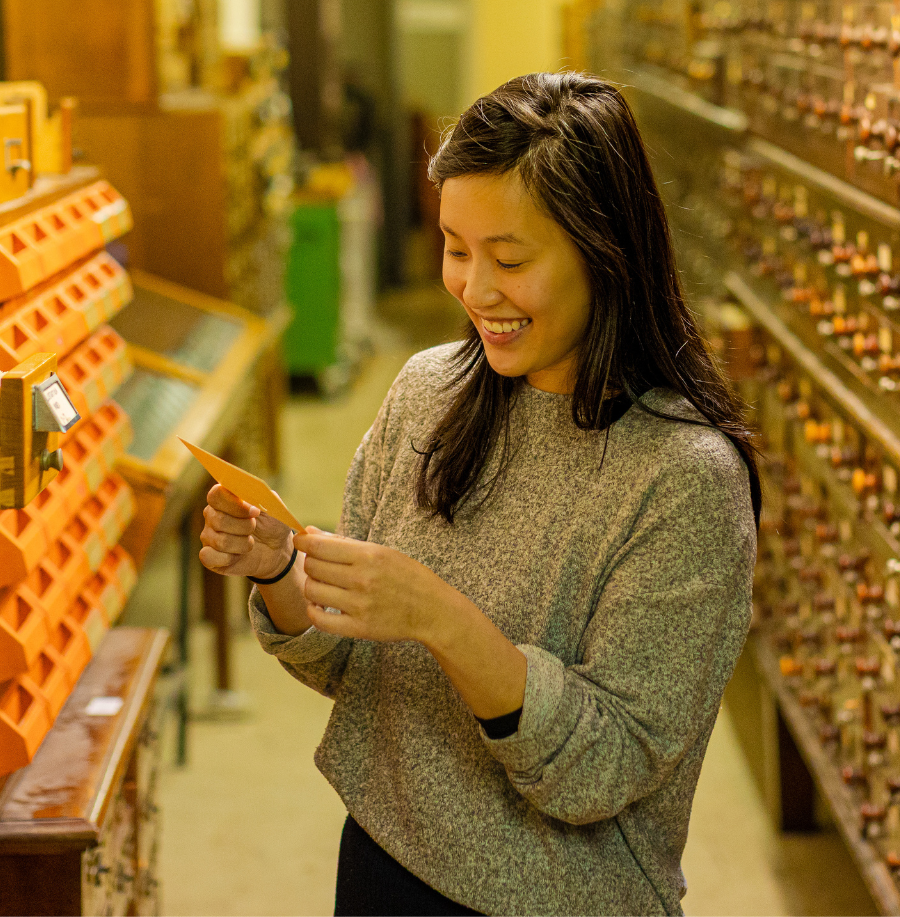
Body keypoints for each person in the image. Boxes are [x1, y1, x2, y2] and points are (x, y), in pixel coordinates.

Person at [197, 71, 759, 916]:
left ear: (604, 252)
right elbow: (358, 670)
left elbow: (606, 768)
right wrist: (283, 573)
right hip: (382, 861)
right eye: (456, 249)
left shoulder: (684, 480)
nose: (474, 290)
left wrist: (443, 621)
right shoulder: (428, 392)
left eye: (510, 259)